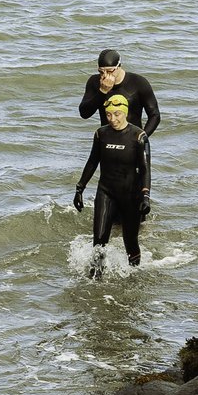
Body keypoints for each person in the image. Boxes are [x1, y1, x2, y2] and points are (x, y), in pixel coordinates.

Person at [74, 92, 151, 274]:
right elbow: (93, 161)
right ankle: (95, 282)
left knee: (130, 242)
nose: (112, 119)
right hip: (106, 192)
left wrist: (145, 195)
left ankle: (135, 277)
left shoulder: (139, 137)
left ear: (125, 113)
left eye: (117, 114)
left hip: (130, 195)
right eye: (109, 114)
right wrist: (80, 188)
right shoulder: (101, 134)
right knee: (99, 241)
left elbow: (146, 169)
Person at [77, 51, 160, 135]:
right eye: (101, 72)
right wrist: (102, 92)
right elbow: (84, 114)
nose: (105, 75)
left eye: (109, 71)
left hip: (132, 139)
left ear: (119, 66)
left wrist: (142, 137)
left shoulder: (138, 82)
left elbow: (154, 115)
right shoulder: (94, 82)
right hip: (106, 140)